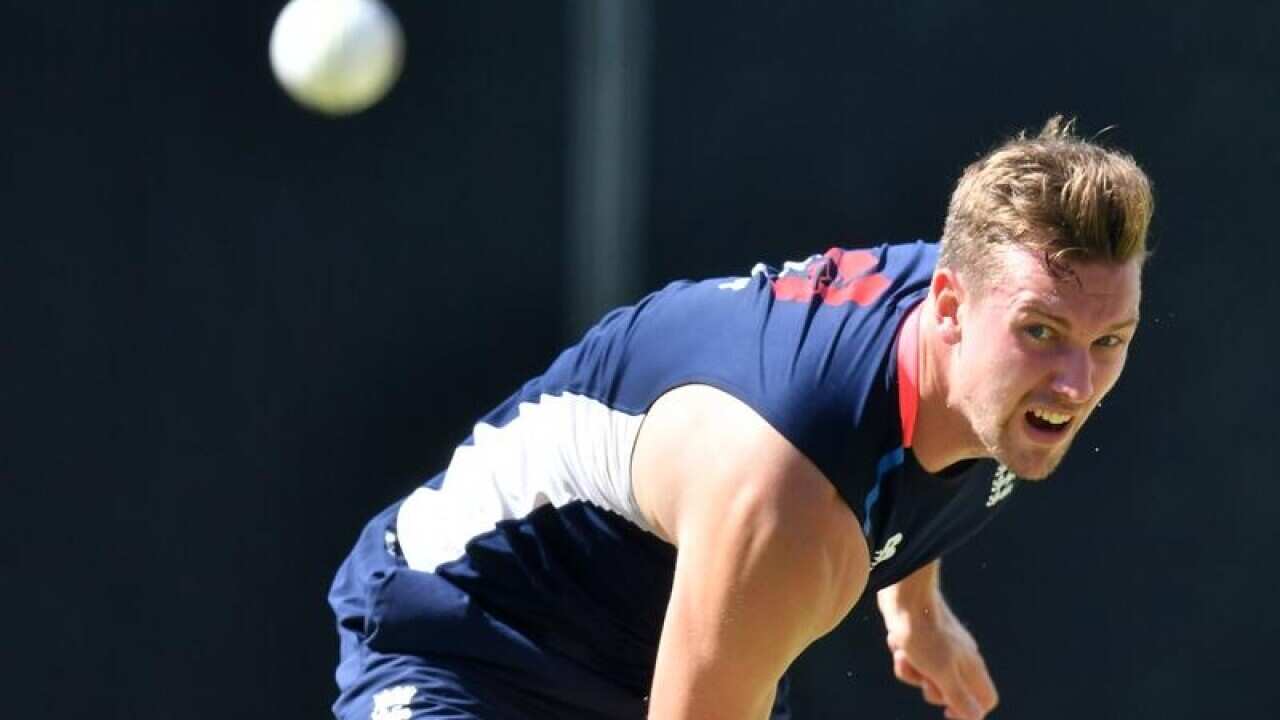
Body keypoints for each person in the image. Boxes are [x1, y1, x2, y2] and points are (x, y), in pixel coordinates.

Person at [328, 116, 1154, 720]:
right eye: (1041, 333)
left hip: (674, 652)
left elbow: (916, 445)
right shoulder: (788, 502)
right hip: (465, 644)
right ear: (948, 306)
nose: (1077, 381)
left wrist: (913, 605)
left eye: (1110, 340)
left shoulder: (980, 338)